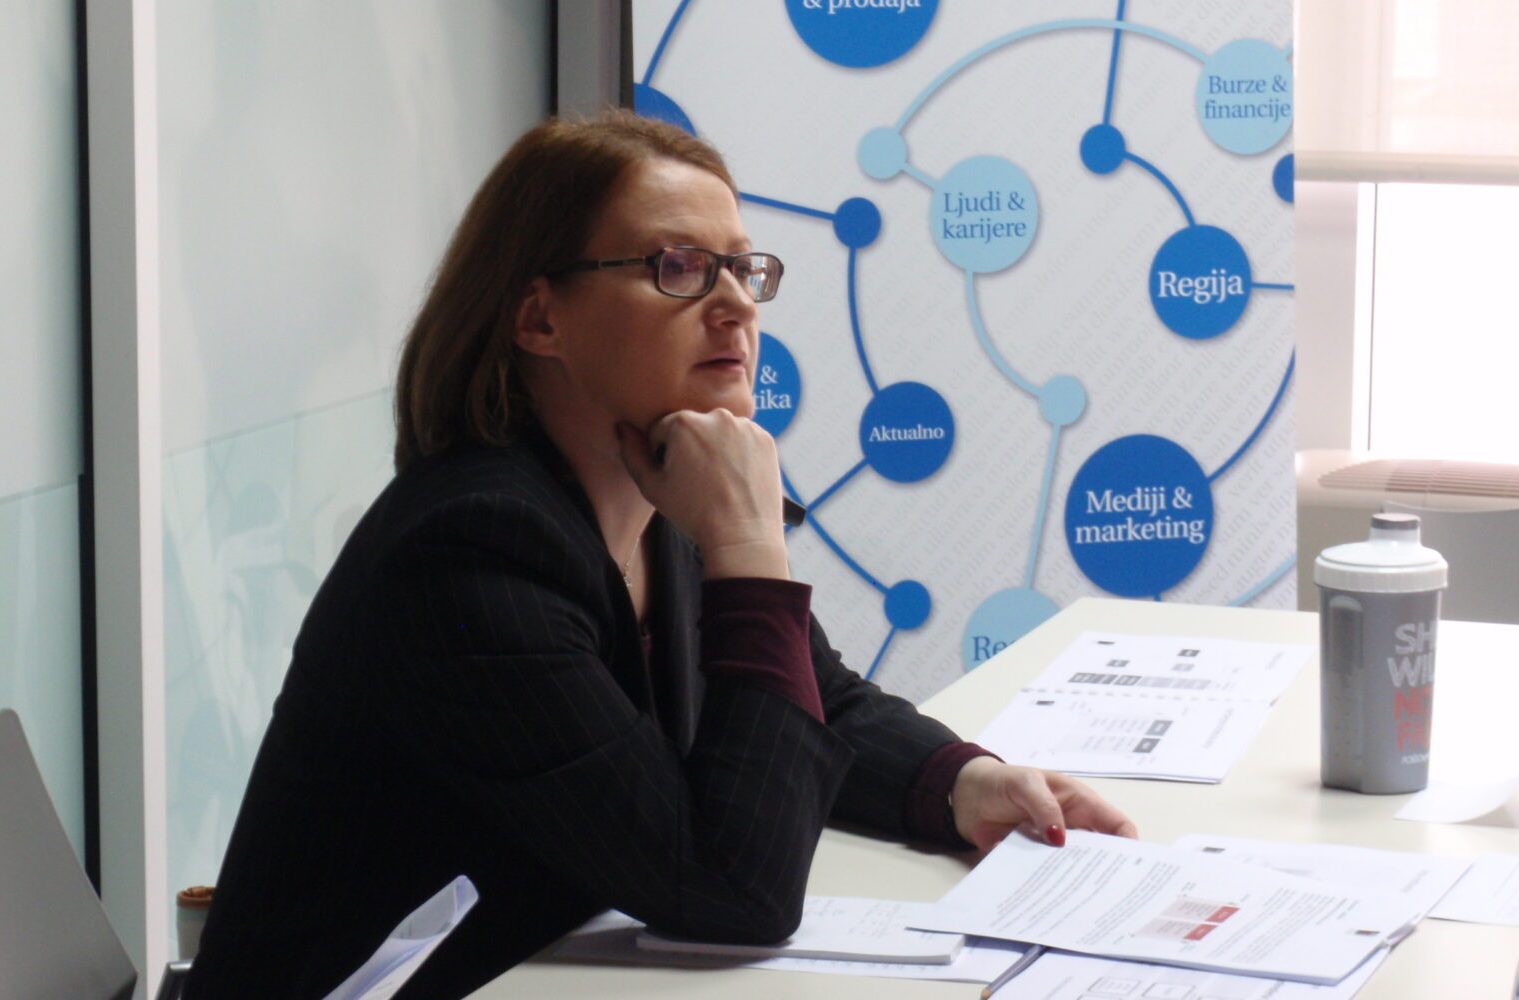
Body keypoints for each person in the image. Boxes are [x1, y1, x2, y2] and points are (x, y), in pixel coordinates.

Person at [184, 111, 1135, 1000]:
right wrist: (749, 544)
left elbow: (814, 698)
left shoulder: (650, 491)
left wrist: (959, 783)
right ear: (538, 318)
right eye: (678, 267)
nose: (735, 305)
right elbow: (733, 889)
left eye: (742, 269)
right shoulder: (470, 551)